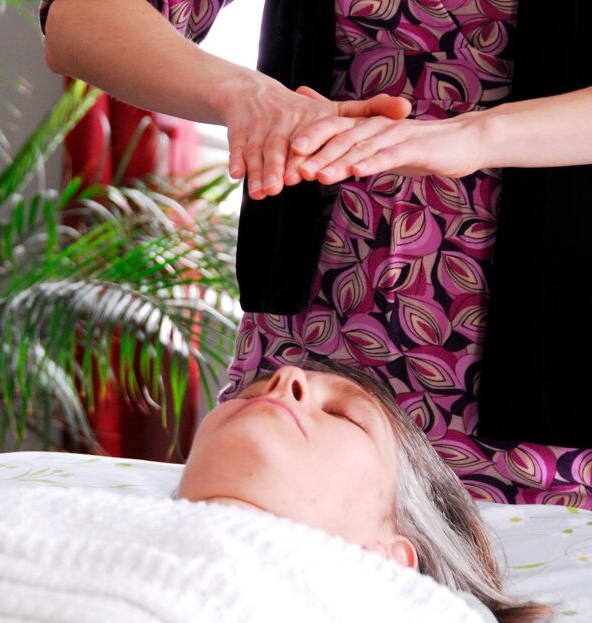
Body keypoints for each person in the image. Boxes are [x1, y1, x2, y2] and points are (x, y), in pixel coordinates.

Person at [39, 0, 592, 509]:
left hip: (550, 361)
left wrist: (475, 136)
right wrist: (244, 93)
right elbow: (78, 17)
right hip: (313, 329)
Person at [177, 361, 553, 622]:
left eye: (344, 415)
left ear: (388, 561)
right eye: (247, 397)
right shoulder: (118, 521)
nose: (285, 376)